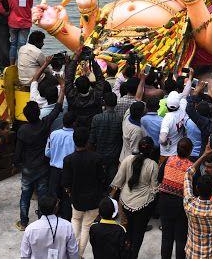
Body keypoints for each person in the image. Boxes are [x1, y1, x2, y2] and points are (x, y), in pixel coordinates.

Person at [15, 84, 65, 231]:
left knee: (25, 196)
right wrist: (62, 90)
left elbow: (18, 152)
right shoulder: (44, 124)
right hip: (43, 166)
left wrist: (18, 164)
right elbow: (57, 108)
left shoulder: (23, 130)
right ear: (38, 113)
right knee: (43, 197)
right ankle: (42, 222)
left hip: (28, 169)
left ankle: (24, 223)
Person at [109, 137, 158, 259]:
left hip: (125, 201)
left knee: (126, 232)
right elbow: (154, 188)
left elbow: (118, 182)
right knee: (138, 235)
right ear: (151, 150)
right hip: (144, 204)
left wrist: (112, 196)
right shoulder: (153, 165)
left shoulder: (128, 159)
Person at [62, 127, 105, 258]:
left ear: (74, 141)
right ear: (87, 142)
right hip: (93, 199)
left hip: (76, 198)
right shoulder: (97, 158)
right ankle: (79, 255)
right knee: (87, 227)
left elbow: (66, 182)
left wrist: (69, 192)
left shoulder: (68, 159)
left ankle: (72, 253)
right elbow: (102, 178)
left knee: (75, 221)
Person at [158, 137, 194, 259]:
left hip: (164, 202)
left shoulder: (168, 160)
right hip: (181, 206)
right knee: (181, 238)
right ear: (190, 151)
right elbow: (194, 189)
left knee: (166, 237)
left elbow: (159, 178)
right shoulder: (191, 167)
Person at [88, 91, 123, 188]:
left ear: (104, 102)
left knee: (99, 181)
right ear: (116, 103)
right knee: (112, 182)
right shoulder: (120, 118)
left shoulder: (97, 118)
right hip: (115, 155)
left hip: (100, 154)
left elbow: (92, 139)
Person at [45, 111, 76, 220]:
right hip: (69, 171)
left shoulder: (53, 134)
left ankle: (51, 218)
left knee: (53, 196)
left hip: (54, 171)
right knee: (67, 198)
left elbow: (47, 153)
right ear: (74, 123)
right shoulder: (75, 136)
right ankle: (66, 220)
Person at [65, 47, 106, 126]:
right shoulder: (95, 96)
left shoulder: (72, 97)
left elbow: (68, 79)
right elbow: (100, 79)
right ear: (90, 85)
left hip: (77, 128)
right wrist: (92, 61)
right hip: (92, 127)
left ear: (76, 86)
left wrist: (76, 58)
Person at [160, 75, 193, 159]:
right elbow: (186, 92)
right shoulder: (182, 108)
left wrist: (166, 143)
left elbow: (162, 139)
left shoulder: (167, 119)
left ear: (166, 105)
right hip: (178, 152)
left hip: (167, 154)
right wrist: (190, 78)